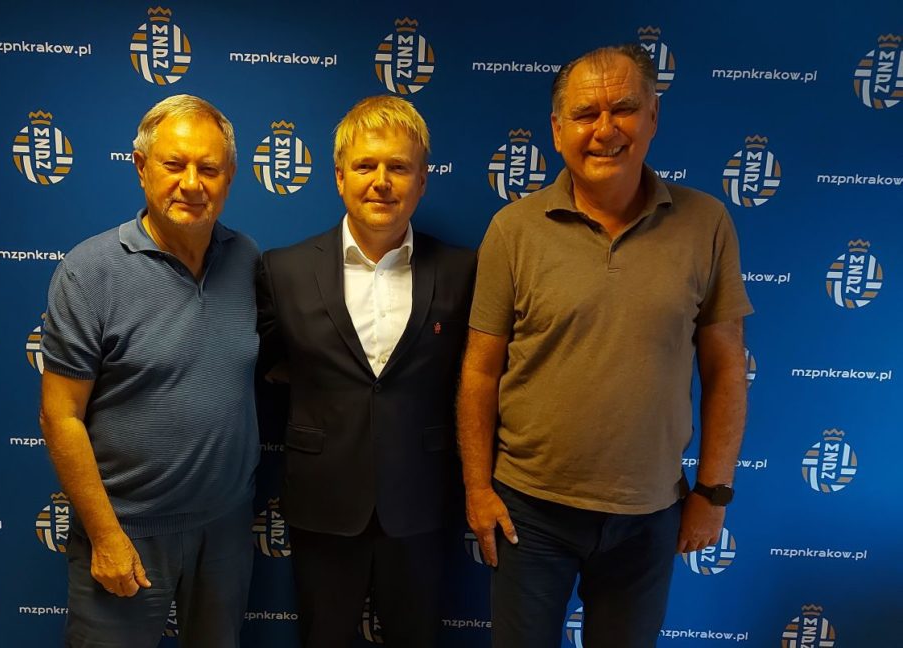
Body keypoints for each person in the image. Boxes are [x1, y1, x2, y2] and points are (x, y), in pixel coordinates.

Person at [457, 44, 753, 648]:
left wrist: (714, 492)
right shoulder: (513, 230)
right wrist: (478, 489)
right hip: (528, 511)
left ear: (653, 117)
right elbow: (480, 372)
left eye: (623, 109)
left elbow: (726, 369)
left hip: (650, 513)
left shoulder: (707, 223)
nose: (605, 129)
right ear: (557, 130)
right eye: (586, 114)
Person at [39, 94, 259, 648]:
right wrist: (106, 536)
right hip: (127, 532)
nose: (192, 184)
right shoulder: (89, 272)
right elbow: (60, 416)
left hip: (225, 529)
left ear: (230, 176)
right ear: (141, 167)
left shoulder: (246, 261)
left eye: (209, 168)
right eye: (174, 164)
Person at [256, 95, 475, 648]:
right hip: (322, 502)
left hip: (422, 502)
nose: (381, 181)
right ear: (339, 177)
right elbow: (258, 368)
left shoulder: (462, 270)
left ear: (422, 181)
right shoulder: (282, 270)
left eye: (398, 167)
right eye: (365, 166)